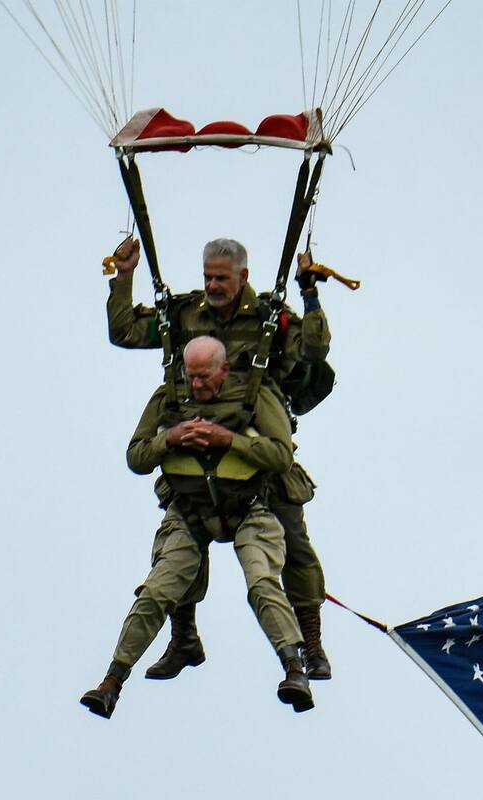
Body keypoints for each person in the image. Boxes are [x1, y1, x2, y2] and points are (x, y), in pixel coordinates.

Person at [103, 237, 333, 680]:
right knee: (178, 542)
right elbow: (126, 332)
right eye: (207, 276)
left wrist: (309, 293)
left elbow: (315, 349)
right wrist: (125, 277)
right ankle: (183, 639)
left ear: (242, 277)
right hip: (192, 450)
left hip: (258, 451)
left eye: (221, 278)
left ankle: (313, 646)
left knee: (296, 549)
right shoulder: (187, 316)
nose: (212, 285)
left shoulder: (272, 320)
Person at [80, 337, 313, 718]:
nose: (197, 386)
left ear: (223, 370)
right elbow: (136, 456)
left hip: (249, 506)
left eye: (205, 377)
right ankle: (112, 683)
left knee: (262, 583)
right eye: (191, 377)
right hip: (189, 510)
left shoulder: (255, 395)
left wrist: (230, 440)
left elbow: (280, 455)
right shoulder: (168, 399)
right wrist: (169, 439)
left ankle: (294, 668)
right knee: (156, 591)